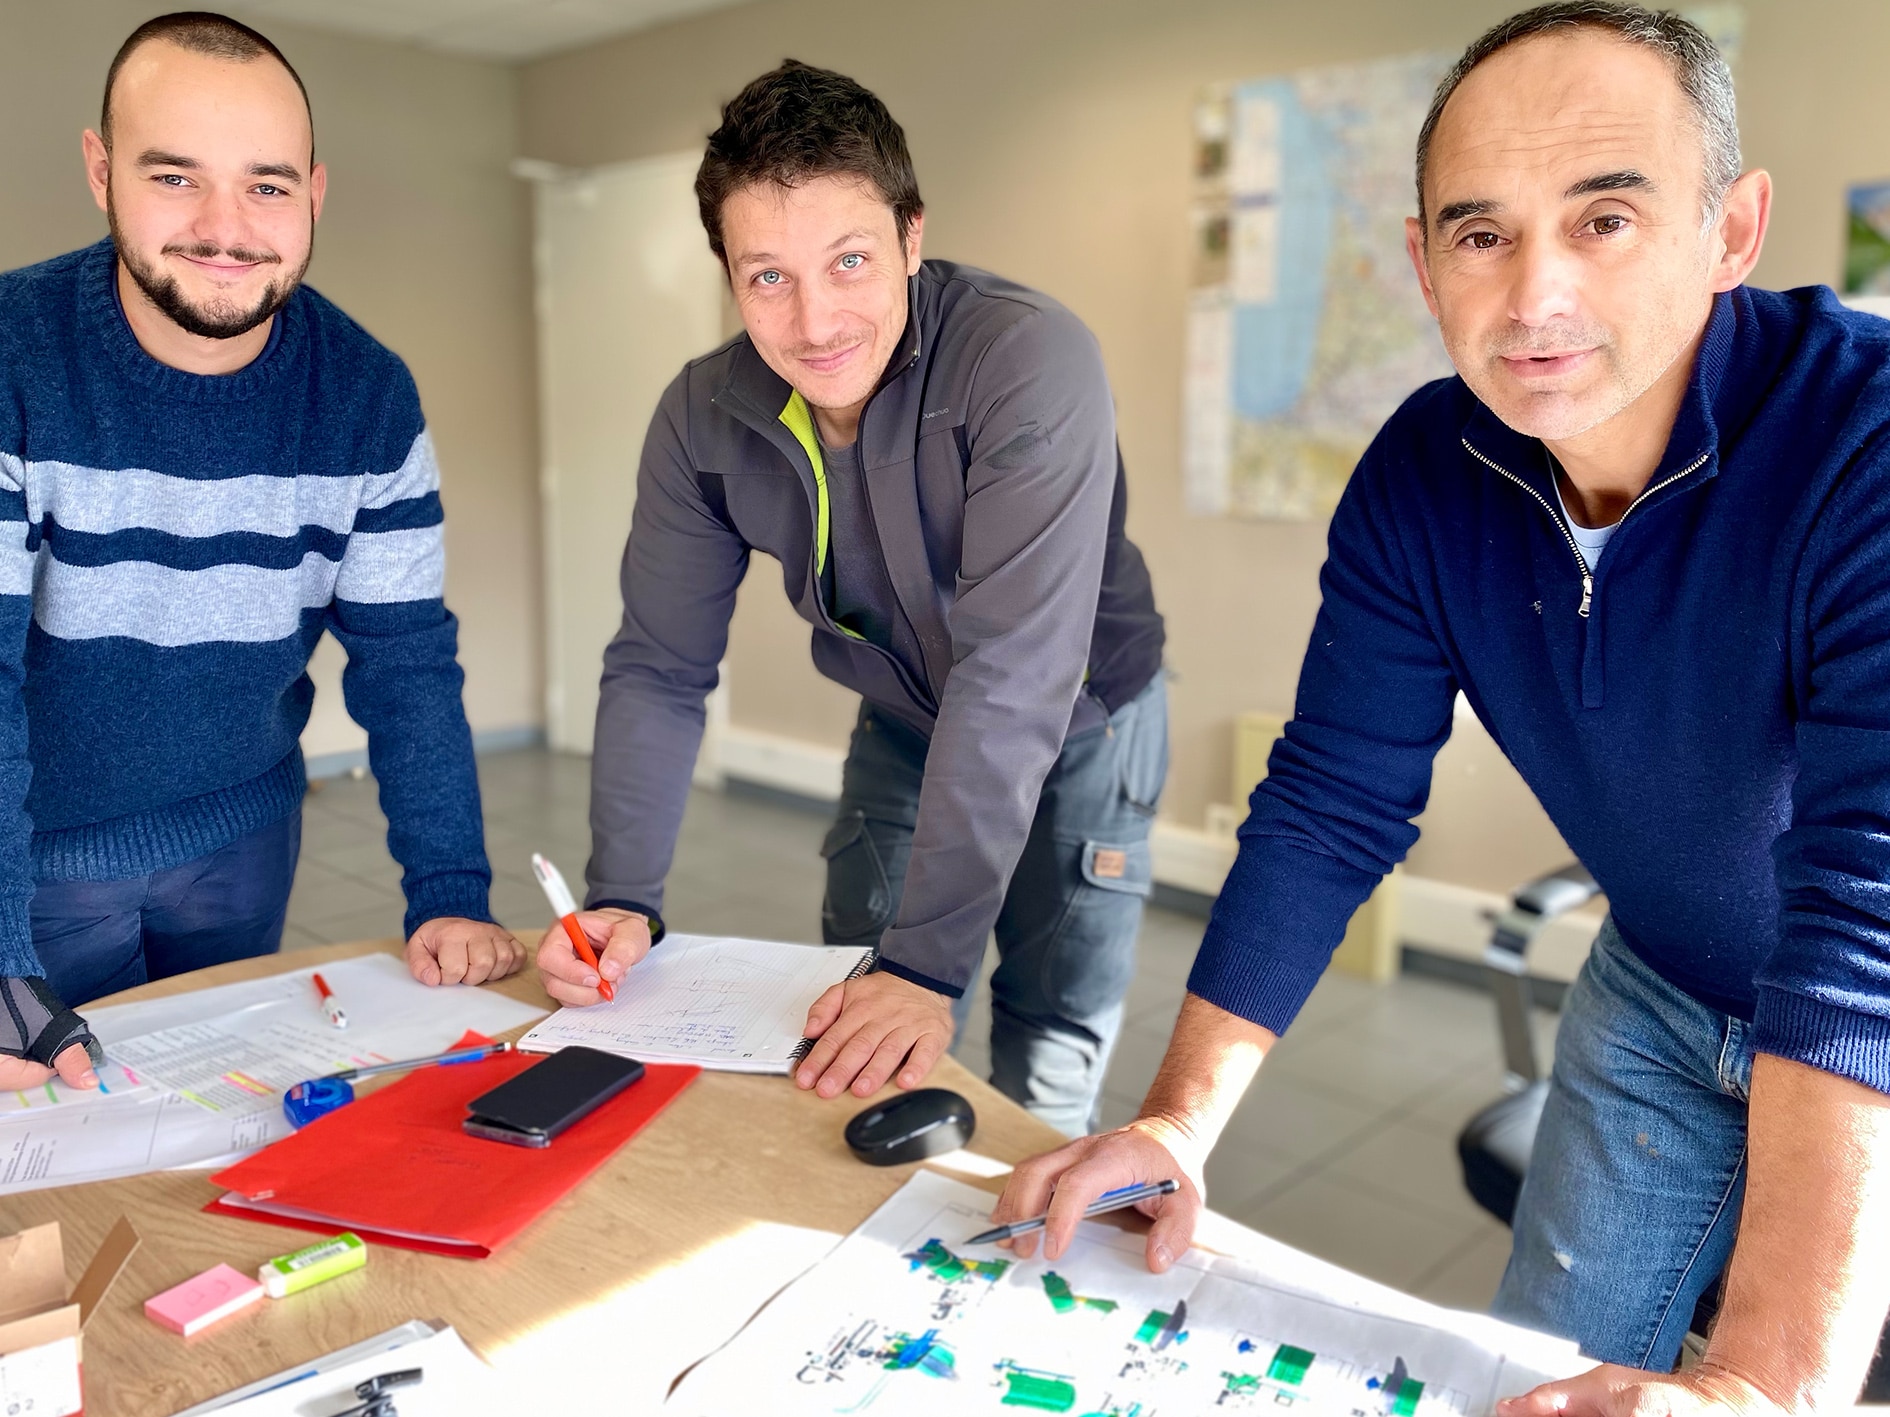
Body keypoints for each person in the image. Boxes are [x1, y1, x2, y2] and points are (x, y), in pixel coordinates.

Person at [992, 4, 1890, 1412]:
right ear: (1421, 263)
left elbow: (1865, 917)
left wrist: (1756, 1387)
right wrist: (1176, 1116)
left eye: (1603, 219)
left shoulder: (1864, 442)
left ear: (1731, 230)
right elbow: (1330, 804)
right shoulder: (1420, 477)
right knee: (1533, 1366)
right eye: (1480, 235)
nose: (1532, 295)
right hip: (1659, 988)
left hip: (1875, 1009)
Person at [536, 61, 1166, 1135]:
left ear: (913, 237)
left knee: (1042, 1049)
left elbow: (1014, 676)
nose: (816, 319)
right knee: (849, 1024)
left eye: (851, 260)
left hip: (1083, 718)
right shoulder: (703, 418)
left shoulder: (1025, 358)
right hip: (906, 720)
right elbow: (659, 664)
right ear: (728, 277)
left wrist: (926, 965)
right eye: (767, 276)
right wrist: (621, 900)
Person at [0, 12, 525, 1097]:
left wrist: (451, 890)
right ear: (102, 172)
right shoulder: (13, 357)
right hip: (34, 859)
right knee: (48, 1148)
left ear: (314, 195)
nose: (226, 226)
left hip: (244, 839)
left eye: (268, 185)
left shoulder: (367, 395)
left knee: (215, 1123)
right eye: (175, 177)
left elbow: (406, 663)